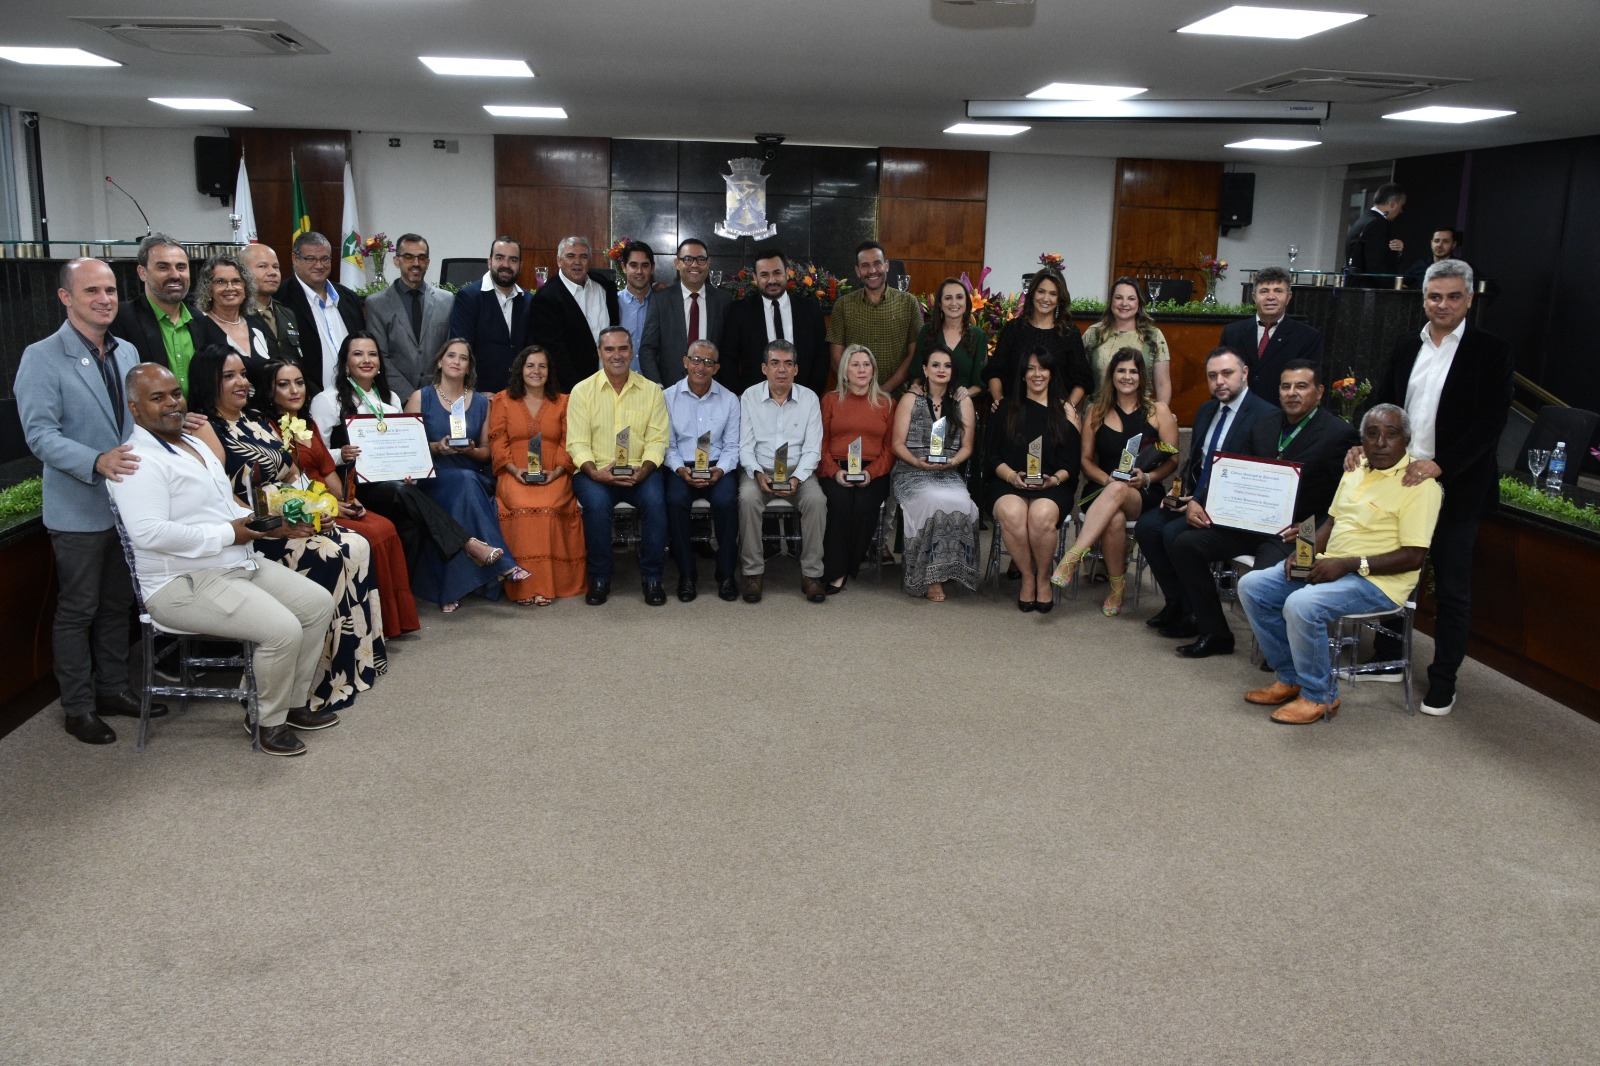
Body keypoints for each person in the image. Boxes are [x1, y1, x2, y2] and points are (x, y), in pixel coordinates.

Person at [107, 364, 336, 757]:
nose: (172, 403)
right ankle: (267, 721)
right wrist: (232, 532)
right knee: (282, 630)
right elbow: (149, 534)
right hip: (179, 585)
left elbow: (227, 505)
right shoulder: (136, 461)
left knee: (318, 605)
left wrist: (276, 526)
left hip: (234, 563)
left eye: (175, 393)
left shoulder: (194, 443)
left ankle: (292, 703)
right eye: (157, 398)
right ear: (134, 407)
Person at [186, 345, 384, 713]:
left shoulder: (257, 418)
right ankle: (309, 684)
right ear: (207, 381)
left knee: (357, 545)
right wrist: (279, 526)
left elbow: (293, 472)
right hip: (256, 530)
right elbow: (223, 496)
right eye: (229, 376)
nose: (241, 382)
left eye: (243, 374)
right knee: (328, 554)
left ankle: (349, 666)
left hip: (293, 514)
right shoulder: (204, 429)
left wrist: (318, 507)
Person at [15, 258, 163, 745]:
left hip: (127, 505)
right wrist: (95, 459)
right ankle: (78, 706)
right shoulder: (41, 356)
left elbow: (135, 424)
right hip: (78, 507)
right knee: (78, 609)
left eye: (109, 290)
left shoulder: (126, 352)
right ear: (66, 298)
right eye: (91, 291)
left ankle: (113, 689)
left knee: (117, 606)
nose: (104, 299)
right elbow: (39, 435)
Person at [1365, 259, 1513, 715]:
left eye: (1452, 296)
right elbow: (1382, 403)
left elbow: (1490, 425)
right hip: (1402, 480)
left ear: (1469, 299)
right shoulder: (1408, 344)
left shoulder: (1491, 351)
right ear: (1423, 299)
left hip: (1459, 485)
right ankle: (1387, 655)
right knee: (1393, 571)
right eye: (1434, 296)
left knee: (1451, 587)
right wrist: (1364, 442)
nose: (1442, 304)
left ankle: (1443, 679)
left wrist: (1441, 466)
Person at [1238, 404, 1441, 725]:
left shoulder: (1419, 484)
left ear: (1407, 439)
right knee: (1253, 586)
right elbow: (1330, 524)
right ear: (1361, 439)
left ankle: (1320, 695)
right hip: (1334, 565)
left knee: (1302, 604)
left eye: (1392, 434)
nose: (1381, 442)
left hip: (1380, 582)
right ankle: (1291, 676)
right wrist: (1304, 553)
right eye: (1372, 434)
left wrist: (1348, 564)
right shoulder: (1355, 468)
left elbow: (1414, 556)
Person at [1163, 360, 1358, 657]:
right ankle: (1215, 632)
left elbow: (1345, 498)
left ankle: (1282, 649)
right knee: (1185, 544)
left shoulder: (1338, 434)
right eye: (1286, 386)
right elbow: (1238, 471)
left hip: (1295, 531)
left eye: (1301, 386)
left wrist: (1314, 528)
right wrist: (1202, 502)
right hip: (1251, 520)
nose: (1292, 393)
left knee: (1266, 578)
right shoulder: (1265, 423)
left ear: (1318, 392)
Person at [307, 332, 507, 600]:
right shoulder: (327, 400)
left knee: (409, 516)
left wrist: (407, 469)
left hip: (388, 482)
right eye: (358, 354)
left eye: (372, 354)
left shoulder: (389, 399)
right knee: (401, 493)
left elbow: (401, 446)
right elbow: (312, 454)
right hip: (351, 485)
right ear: (345, 362)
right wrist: (341, 453)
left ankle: (402, 597)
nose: (366, 360)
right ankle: (467, 542)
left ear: (380, 362)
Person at [257, 358, 421, 639]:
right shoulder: (269, 428)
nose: (295, 390)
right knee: (372, 534)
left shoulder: (307, 423)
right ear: (270, 391)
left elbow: (328, 471)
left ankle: (391, 622)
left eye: (298, 383)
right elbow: (290, 483)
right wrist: (334, 508)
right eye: (283, 385)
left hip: (331, 502)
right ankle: (369, 624)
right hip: (307, 509)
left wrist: (347, 501)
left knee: (386, 527)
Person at [1137, 347, 1276, 639]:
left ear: (1245, 373)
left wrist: (1201, 502)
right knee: (1148, 527)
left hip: (1234, 510)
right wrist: (1184, 495)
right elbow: (1197, 462)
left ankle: (1207, 623)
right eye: (1212, 376)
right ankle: (1179, 603)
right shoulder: (1206, 410)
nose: (1219, 382)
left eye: (1227, 373)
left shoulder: (1265, 415)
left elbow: (1255, 477)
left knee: (1176, 536)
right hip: (1196, 497)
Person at [1049, 349, 1179, 616]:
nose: (1127, 377)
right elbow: (1085, 460)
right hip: (1101, 485)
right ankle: (1117, 588)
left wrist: (1148, 477)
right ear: (1112, 375)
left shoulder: (1159, 411)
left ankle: (1073, 556)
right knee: (1115, 518)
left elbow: (1173, 461)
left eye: (1133, 371)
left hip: (1142, 490)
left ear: (1142, 377)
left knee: (1119, 490)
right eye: (1121, 371)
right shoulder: (1096, 411)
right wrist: (1106, 479)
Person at [404, 338, 527, 612]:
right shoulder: (419, 397)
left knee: (467, 485)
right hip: (431, 478)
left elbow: (486, 453)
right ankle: (504, 564)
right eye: (451, 356)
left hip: (469, 474)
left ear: (469, 366)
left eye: (463, 358)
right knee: (466, 486)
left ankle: (453, 587)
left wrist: (470, 450)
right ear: (439, 361)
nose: (456, 361)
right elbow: (405, 446)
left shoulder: (482, 402)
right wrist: (437, 447)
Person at [567, 326, 671, 605]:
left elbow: (658, 439)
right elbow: (577, 442)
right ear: (599, 353)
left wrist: (644, 470)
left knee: (656, 502)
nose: (617, 355)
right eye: (609, 349)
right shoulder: (582, 391)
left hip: (641, 469)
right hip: (594, 471)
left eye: (622, 348)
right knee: (597, 506)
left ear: (632, 351)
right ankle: (600, 578)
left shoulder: (651, 391)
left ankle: (652, 578)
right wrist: (595, 473)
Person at [487, 345, 587, 605]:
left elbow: (570, 440)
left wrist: (557, 471)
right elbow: (497, 441)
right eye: (530, 365)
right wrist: (513, 469)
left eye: (542, 366)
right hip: (514, 472)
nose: (536, 371)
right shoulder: (502, 400)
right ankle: (523, 586)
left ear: (549, 371)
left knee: (548, 505)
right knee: (520, 505)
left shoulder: (565, 401)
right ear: (520, 369)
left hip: (554, 472)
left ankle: (547, 585)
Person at [985, 345, 1082, 612]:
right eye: (1030, 368)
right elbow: (992, 457)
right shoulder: (1005, 407)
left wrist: (1054, 480)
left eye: (1043, 367)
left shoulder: (1066, 411)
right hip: (1007, 482)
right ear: (1023, 374)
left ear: (1052, 372)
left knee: (1040, 516)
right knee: (1013, 513)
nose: (1037, 374)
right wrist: (1012, 476)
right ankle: (1027, 578)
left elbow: (1072, 464)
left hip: (1053, 485)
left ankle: (1043, 578)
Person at [738, 339, 827, 603]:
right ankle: (753, 574)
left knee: (816, 500)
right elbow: (745, 446)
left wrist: (798, 477)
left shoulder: (809, 398)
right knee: (747, 499)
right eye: (775, 363)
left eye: (788, 364)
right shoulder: (750, 396)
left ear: (796, 369)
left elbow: (813, 448)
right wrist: (757, 473)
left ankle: (811, 574)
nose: (781, 370)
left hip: (798, 469)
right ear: (764, 368)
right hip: (761, 468)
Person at [892, 346, 979, 600]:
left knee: (964, 503)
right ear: (925, 369)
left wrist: (952, 461)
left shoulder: (963, 401)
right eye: (936, 365)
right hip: (911, 472)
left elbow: (967, 447)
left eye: (947, 366)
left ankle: (948, 566)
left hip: (947, 472)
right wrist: (917, 463)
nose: (942, 370)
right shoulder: (911, 399)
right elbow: (897, 444)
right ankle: (931, 578)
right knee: (933, 502)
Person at [661, 339, 742, 602]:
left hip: (717, 466)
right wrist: (678, 470)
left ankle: (726, 573)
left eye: (708, 362)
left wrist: (720, 470)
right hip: (681, 466)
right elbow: (667, 445)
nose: (701, 367)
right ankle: (686, 574)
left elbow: (732, 446)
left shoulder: (729, 399)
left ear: (716, 368)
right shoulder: (668, 397)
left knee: (728, 502)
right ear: (685, 362)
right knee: (674, 501)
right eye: (695, 360)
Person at [818, 344, 895, 595]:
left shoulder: (886, 403)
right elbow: (821, 443)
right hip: (837, 467)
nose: (861, 370)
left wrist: (871, 473)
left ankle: (849, 563)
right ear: (844, 371)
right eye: (855, 364)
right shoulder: (830, 400)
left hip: (873, 469)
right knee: (838, 503)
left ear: (873, 370)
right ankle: (836, 571)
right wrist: (833, 471)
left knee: (863, 505)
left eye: (866, 364)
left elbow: (890, 448)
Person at [722, 246, 829, 394]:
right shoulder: (740, 311)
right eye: (764, 274)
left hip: (802, 400)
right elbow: (728, 359)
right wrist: (740, 396)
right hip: (755, 402)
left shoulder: (810, 310)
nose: (772, 280)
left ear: (787, 273)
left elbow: (821, 357)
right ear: (755, 278)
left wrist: (810, 395)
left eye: (777, 273)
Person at [983, 265, 1093, 410]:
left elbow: (1082, 379)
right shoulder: (1014, 329)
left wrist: (1068, 407)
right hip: (1014, 413)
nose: (1046, 298)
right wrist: (999, 402)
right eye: (1041, 291)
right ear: (1033, 293)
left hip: (1055, 417)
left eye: (1053, 294)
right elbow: (995, 371)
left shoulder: (1069, 333)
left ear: (1060, 298)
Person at [111, 234, 208, 394]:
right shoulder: (121, 319)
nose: (175, 275)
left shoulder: (199, 320)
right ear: (142, 272)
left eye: (181, 267)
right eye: (163, 267)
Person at [364, 232, 456, 399]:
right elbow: (379, 356)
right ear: (396, 261)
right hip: (395, 399)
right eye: (408, 257)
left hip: (439, 397)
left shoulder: (447, 300)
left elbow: (451, 351)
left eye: (421, 258)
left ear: (428, 262)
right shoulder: (376, 304)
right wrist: (410, 397)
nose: (416, 263)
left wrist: (435, 393)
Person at [827, 241, 924, 392]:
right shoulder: (843, 305)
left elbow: (915, 354)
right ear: (858, 271)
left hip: (897, 396)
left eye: (877, 263)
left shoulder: (909, 303)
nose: (872, 270)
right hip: (853, 394)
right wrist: (858, 388)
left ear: (886, 265)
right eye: (865, 265)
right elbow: (836, 356)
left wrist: (884, 390)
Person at [1220, 266, 1325, 404]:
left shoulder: (1308, 337)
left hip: (1283, 415)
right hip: (1238, 412)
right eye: (1264, 291)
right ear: (1254, 297)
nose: (1271, 297)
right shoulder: (1232, 332)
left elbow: (1308, 384)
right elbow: (1221, 376)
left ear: (1288, 297)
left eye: (1278, 291)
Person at [528, 235, 621, 392]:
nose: (577, 262)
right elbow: (555, 353)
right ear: (559, 260)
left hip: (611, 384)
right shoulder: (546, 298)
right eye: (570, 256)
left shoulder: (605, 287)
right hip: (571, 390)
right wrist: (579, 390)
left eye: (583, 256)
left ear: (590, 260)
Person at [278, 231, 365, 394]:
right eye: (310, 259)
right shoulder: (282, 299)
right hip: (308, 400)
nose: (319, 265)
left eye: (325, 259)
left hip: (355, 397)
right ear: (295, 259)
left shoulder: (349, 299)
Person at [448, 236, 534, 395]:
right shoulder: (469, 297)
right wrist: (473, 394)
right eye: (500, 258)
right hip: (480, 397)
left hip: (519, 396)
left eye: (513, 260)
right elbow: (460, 351)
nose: (506, 265)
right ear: (489, 262)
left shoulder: (529, 301)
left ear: (520, 266)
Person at [641, 238, 732, 387]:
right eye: (688, 259)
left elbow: (729, 352)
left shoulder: (723, 301)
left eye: (701, 259)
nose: (695, 265)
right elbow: (647, 349)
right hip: (670, 389)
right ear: (677, 264)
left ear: (708, 263)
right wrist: (658, 387)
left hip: (713, 390)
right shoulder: (660, 300)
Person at [1080, 276, 1172, 407]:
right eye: (1118, 298)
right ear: (1111, 301)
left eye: (1131, 298)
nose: (1124, 303)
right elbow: (1079, 379)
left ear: (1139, 303)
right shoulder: (1094, 333)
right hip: (1097, 413)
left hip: (1139, 414)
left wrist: (1163, 414)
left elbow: (1163, 383)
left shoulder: (1153, 336)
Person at [191, 253, 270, 368]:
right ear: (208, 289)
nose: (230, 288)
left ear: (245, 287)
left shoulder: (255, 321)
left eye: (236, 281)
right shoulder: (200, 325)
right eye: (220, 282)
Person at [910, 277, 989, 392]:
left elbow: (980, 384)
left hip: (963, 404)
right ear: (940, 304)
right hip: (928, 403)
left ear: (966, 302)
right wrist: (916, 387)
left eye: (959, 297)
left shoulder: (979, 336)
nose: (954, 303)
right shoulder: (927, 331)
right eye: (948, 298)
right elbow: (916, 374)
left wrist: (965, 394)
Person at [237, 243, 305, 364]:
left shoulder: (287, 313)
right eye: (262, 266)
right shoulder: (237, 315)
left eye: (276, 267)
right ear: (242, 272)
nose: (272, 272)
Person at [1345, 182, 1407, 285]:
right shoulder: (1378, 224)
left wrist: (1397, 252)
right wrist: (1393, 285)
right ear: (1392, 204)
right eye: (1400, 206)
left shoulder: (1363, 220)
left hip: (1354, 287)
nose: (1400, 211)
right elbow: (1376, 265)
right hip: (1370, 292)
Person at [616, 239, 656, 369]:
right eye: (633, 265)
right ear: (624, 267)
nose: (639, 271)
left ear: (652, 268)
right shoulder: (612, 303)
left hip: (655, 384)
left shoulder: (663, 304)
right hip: (620, 382)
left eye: (645, 265)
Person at [1403, 227, 1468, 288]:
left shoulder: (1462, 267)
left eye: (1445, 241)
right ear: (1431, 243)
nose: (1439, 245)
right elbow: (1401, 284)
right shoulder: (1420, 265)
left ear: (1454, 244)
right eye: (1436, 241)